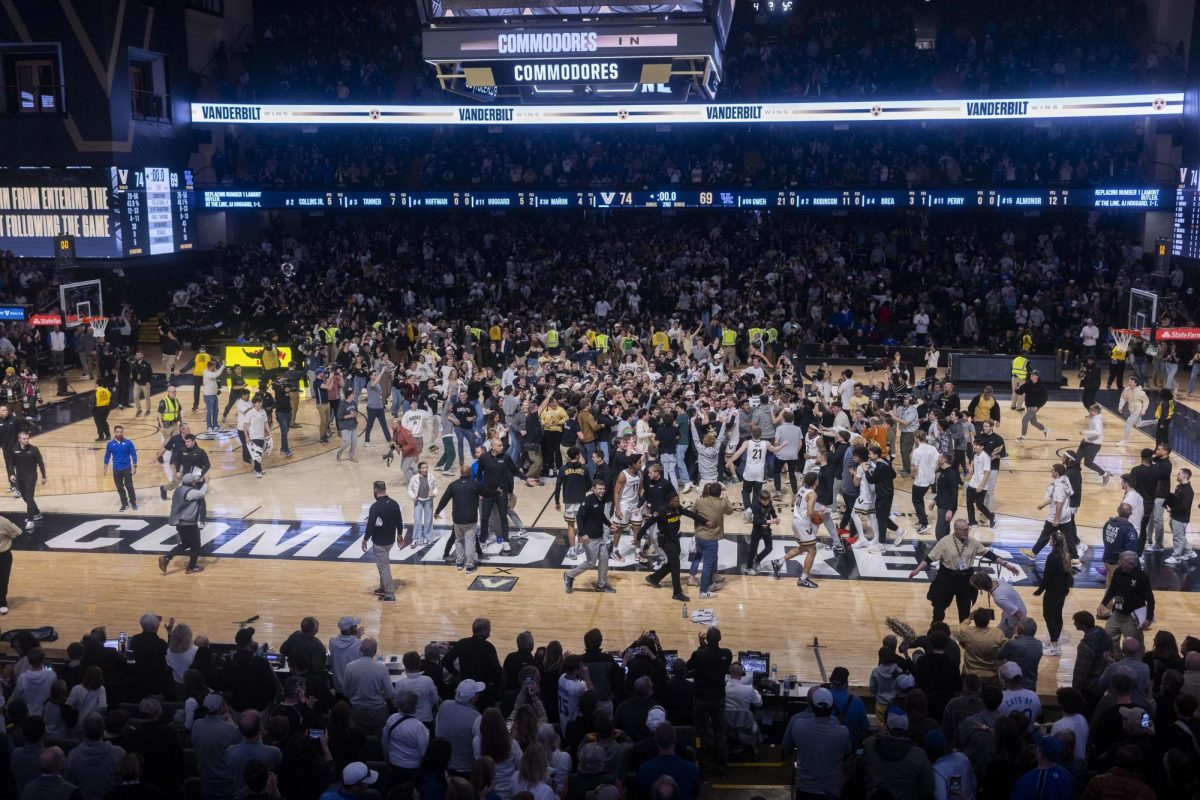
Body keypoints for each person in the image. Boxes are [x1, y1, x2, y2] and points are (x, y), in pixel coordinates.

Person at [907, 518, 1018, 623]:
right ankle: (936, 628)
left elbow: (989, 554)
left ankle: (964, 633)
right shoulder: (944, 542)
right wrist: (916, 570)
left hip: (966, 578)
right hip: (947, 577)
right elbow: (929, 558)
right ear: (956, 530)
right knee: (939, 607)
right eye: (964, 530)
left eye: (967, 529)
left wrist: (1006, 564)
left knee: (965, 608)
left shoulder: (972, 542)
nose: (966, 532)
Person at [780, 686, 849, 800]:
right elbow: (847, 751)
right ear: (832, 707)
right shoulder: (843, 731)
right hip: (831, 790)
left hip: (805, 788)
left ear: (811, 705)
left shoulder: (798, 724)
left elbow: (786, 748)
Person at [644, 494, 710, 602]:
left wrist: (705, 521)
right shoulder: (661, 511)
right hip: (665, 540)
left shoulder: (678, 509)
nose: (679, 502)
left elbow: (691, 514)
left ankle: (654, 578)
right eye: (676, 500)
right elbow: (648, 524)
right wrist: (637, 537)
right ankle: (677, 593)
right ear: (670, 502)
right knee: (676, 564)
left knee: (672, 563)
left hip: (675, 539)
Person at [686, 626, 732, 778]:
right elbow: (716, 659)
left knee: (700, 733)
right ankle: (721, 768)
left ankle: (701, 765)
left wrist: (701, 646)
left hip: (701, 699)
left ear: (706, 639)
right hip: (718, 698)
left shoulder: (698, 655)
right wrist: (704, 647)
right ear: (720, 639)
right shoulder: (727, 654)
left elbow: (688, 666)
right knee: (720, 733)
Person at [435, 465, 498, 573]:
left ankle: (459, 563)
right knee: (470, 541)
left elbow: (444, 500)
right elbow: (488, 493)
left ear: (461, 473)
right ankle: (469, 566)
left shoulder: (453, 485)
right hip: (471, 518)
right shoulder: (475, 485)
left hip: (457, 519)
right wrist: (498, 492)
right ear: (470, 474)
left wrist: (437, 511)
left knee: (458, 540)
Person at [860, 712, 934, 800]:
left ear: (887, 727)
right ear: (906, 729)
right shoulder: (919, 754)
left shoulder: (869, 745)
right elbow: (927, 788)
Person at [563, 480, 616, 595]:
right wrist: (583, 533)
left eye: (603, 489)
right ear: (593, 489)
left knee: (604, 559)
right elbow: (580, 517)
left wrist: (609, 524)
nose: (602, 491)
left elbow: (601, 515)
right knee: (591, 562)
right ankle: (569, 575)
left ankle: (601, 585)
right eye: (599, 489)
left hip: (600, 537)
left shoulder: (600, 500)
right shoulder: (587, 500)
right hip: (590, 538)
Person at [771, 472, 822, 588]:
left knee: (803, 547)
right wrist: (818, 514)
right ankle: (803, 579)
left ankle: (778, 562)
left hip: (795, 521)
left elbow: (794, 501)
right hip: (803, 524)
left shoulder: (802, 489)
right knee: (812, 550)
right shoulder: (812, 494)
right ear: (815, 482)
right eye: (817, 479)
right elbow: (809, 512)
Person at [1099, 551, 1155, 649]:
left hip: (1132, 617)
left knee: (1135, 645)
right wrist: (1103, 603)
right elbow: (1112, 589)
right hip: (1117, 613)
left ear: (1131, 564)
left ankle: (1137, 663)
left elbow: (1150, 599)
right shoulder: (1118, 572)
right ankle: (1116, 659)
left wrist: (1149, 617)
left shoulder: (1141, 577)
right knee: (1108, 637)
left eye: (1121, 561)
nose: (1119, 563)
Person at [1032, 530, 1074, 655]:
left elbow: (1047, 576)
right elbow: (1068, 576)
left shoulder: (1053, 556)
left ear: (1055, 542)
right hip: (1062, 590)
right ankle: (1054, 640)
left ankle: (1055, 645)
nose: (1049, 541)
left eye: (1050, 539)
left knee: (1048, 615)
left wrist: (1040, 590)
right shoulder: (1066, 554)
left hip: (1053, 590)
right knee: (1057, 614)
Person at [159, 474, 209, 575]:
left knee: (185, 544)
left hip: (180, 523)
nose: (195, 482)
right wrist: (206, 482)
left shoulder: (178, 489)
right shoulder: (190, 492)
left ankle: (166, 558)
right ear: (192, 483)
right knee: (195, 546)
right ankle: (191, 567)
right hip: (189, 524)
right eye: (194, 481)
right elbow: (202, 493)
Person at [341, 638, 393, 734]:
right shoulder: (382, 668)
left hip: (357, 712)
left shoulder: (350, 667)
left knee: (360, 742)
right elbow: (389, 695)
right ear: (375, 651)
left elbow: (345, 693)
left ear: (360, 650)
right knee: (378, 742)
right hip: (378, 712)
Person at [636, 723, 699, 800]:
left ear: (656, 740)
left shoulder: (643, 770)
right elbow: (695, 795)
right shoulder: (691, 769)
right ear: (675, 740)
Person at [364, 480, 401, 602]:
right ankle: (383, 587)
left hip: (380, 541)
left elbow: (370, 525)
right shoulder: (394, 503)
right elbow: (399, 521)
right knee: (383, 564)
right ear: (385, 489)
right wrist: (400, 534)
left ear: (375, 491)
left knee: (383, 566)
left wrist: (365, 539)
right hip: (390, 540)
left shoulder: (375, 507)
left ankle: (390, 594)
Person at [382, 691, 430, 785]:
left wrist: (387, 760)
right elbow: (423, 754)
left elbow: (384, 742)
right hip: (413, 769)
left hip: (394, 764)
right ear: (415, 707)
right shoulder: (419, 727)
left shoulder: (391, 719)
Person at [956, 609, 1007, 687]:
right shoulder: (997, 633)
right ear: (988, 619)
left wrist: (969, 618)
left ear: (974, 619)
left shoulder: (966, 631)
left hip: (970, 675)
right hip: (991, 675)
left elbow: (957, 629)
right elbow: (1008, 646)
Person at [1010, 736, 1073, 800]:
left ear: (1040, 754)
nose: (1034, 749)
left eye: (1037, 747)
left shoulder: (1027, 780)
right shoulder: (1067, 774)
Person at [970, 572, 1027, 637]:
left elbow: (1021, 615)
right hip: (1010, 611)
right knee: (997, 634)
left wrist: (1019, 632)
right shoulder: (995, 580)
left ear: (979, 588)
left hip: (1015, 620)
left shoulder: (999, 599)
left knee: (998, 638)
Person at [10, 430, 46, 528]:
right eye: (24, 439)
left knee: (29, 498)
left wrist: (44, 476)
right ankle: (37, 513)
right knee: (25, 498)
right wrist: (12, 474)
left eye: (27, 438)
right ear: (19, 439)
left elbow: (41, 463)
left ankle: (30, 520)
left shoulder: (34, 449)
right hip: (20, 478)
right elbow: (11, 463)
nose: (26, 440)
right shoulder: (14, 450)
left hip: (31, 477)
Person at [1072, 404, 1114, 485]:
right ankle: (1073, 477)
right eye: (1090, 410)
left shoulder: (1096, 420)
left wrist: (1084, 432)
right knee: (1076, 460)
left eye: (1093, 411)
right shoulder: (1094, 418)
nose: (1090, 412)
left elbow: (1098, 432)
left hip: (1093, 446)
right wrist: (1086, 438)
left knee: (1088, 463)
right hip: (1086, 443)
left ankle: (1105, 474)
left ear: (1096, 412)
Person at [102, 425, 139, 511]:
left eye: (121, 432)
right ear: (115, 432)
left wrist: (134, 466)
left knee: (129, 486)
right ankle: (124, 504)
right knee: (120, 487)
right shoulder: (110, 444)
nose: (119, 433)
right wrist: (105, 467)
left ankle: (133, 502)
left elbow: (134, 454)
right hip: (116, 469)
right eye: (118, 432)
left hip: (126, 468)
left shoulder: (128, 443)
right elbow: (107, 456)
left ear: (123, 432)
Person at [1164, 467, 1194, 564]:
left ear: (1185, 476)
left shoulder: (1188, 491)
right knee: (1180, 536)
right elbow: (1176, 500)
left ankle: (1176, 557)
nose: (1177, 475)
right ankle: (1189, 552)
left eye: (1179, 474)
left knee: (1178, 537)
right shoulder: (1179, 487)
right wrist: (1167, 503)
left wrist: (1171, 509)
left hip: (1181, 518)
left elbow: (1184, 506)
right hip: (1175, 516)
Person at [965, 440, 996, 528]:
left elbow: (987, 472)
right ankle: (972, 521)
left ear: (982, 447)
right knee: (969, 502)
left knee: (979, 504)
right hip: (973, 483)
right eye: (974, 445)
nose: (974, 447)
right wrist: (971, 467)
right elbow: (973, 461)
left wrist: (981, 485)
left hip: (982, 485)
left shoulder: (985, 457)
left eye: (977, 445)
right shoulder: (975, 455)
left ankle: (991, 516)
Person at [1014, 370, 1051, 443]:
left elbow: (1045, 398)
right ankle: (1046, 430)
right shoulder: (1027, 384)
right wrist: (1016, 389)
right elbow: (1020, 391)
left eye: (1033, 375)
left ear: (1037, 377)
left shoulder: (1041, 386)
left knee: (1024, 420)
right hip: (1028, 406)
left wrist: (1038, 406)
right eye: (1031, 374)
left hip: (1034, 407)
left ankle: (1022, 438)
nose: (1031, 375)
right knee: (1034, 422)